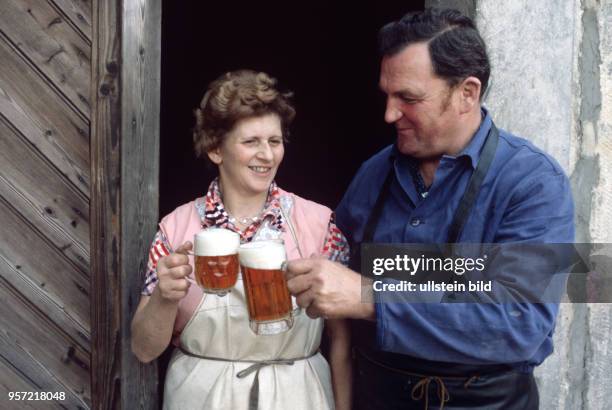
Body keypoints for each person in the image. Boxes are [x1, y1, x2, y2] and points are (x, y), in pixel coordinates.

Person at [285, 8, 574, 410]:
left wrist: (370, 296)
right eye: (387, 95)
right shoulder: (373, 173)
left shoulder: (532, 183)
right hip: (374, 392)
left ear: (467, 93)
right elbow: (333, 288)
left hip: (484, 401)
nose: (389, 114)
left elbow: (519, 322)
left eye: (408, 98)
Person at [131, 70, 352, 410]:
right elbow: (144, 350)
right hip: (203, 398)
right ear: (216, 149)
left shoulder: (320, 226)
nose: (267, 155)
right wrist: (164, 296)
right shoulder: (174, 230)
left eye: (274, 141)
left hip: (299, 397)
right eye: (251, 142)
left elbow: (342, 341)